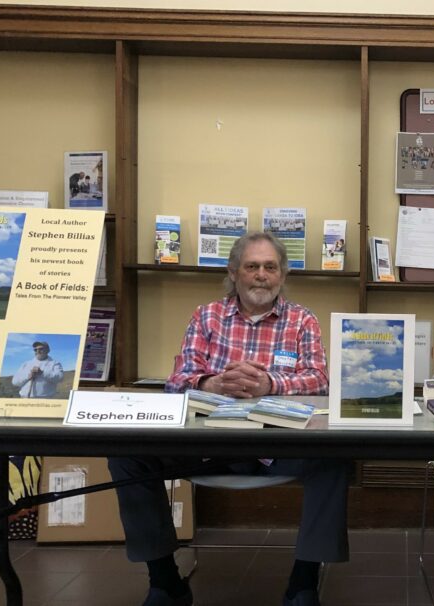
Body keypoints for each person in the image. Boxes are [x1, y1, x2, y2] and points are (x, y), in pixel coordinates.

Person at [108, 232, 349, 606]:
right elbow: (179, 380)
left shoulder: (302, 321)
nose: (261, 275)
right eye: (252, 266)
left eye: (270, 267)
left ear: (282, 274)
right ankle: (164, 581)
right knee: (127, 454)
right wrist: (215, 383)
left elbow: (320, 379)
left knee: (336, 458)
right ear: (233, 272)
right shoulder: (206, 317)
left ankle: (303, 581)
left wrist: (269, 383)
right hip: (208, 444)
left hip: (278, 445)